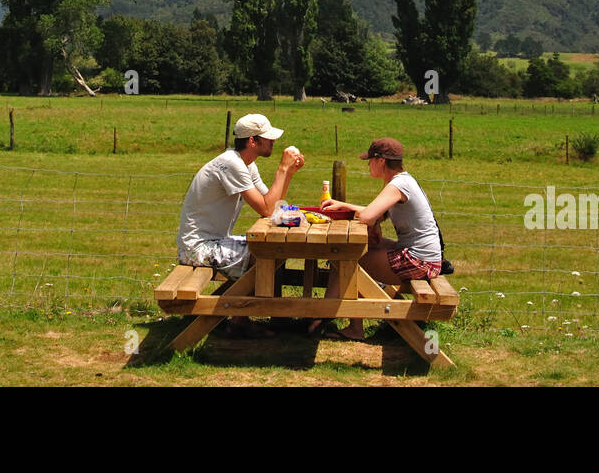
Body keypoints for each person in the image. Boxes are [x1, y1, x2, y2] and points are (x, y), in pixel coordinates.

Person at [310, 137, 442, 339]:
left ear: (381, 161)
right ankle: (325, 315)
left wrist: (358, 213)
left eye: (369, 160)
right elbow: (376, 214)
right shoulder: (403, 181)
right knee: (356, 252)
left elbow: (368, 216)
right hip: (424, 257)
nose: (368, 165)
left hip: (420, 262)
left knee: (348, 258)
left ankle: (333, 319)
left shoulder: (398, 185)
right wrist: (344, 206)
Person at [176, 113, 305, 283]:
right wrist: (282, 169)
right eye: (268, 138)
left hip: (214, 242)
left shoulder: (246, 164)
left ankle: (253, 302)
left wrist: (289, 173)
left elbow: (272, 206)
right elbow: (266, 209)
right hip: (197, 249)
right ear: (252, 141)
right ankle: (249, 304)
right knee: (266, 253)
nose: (273, 142)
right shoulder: (231, 163)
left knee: (271, 249)